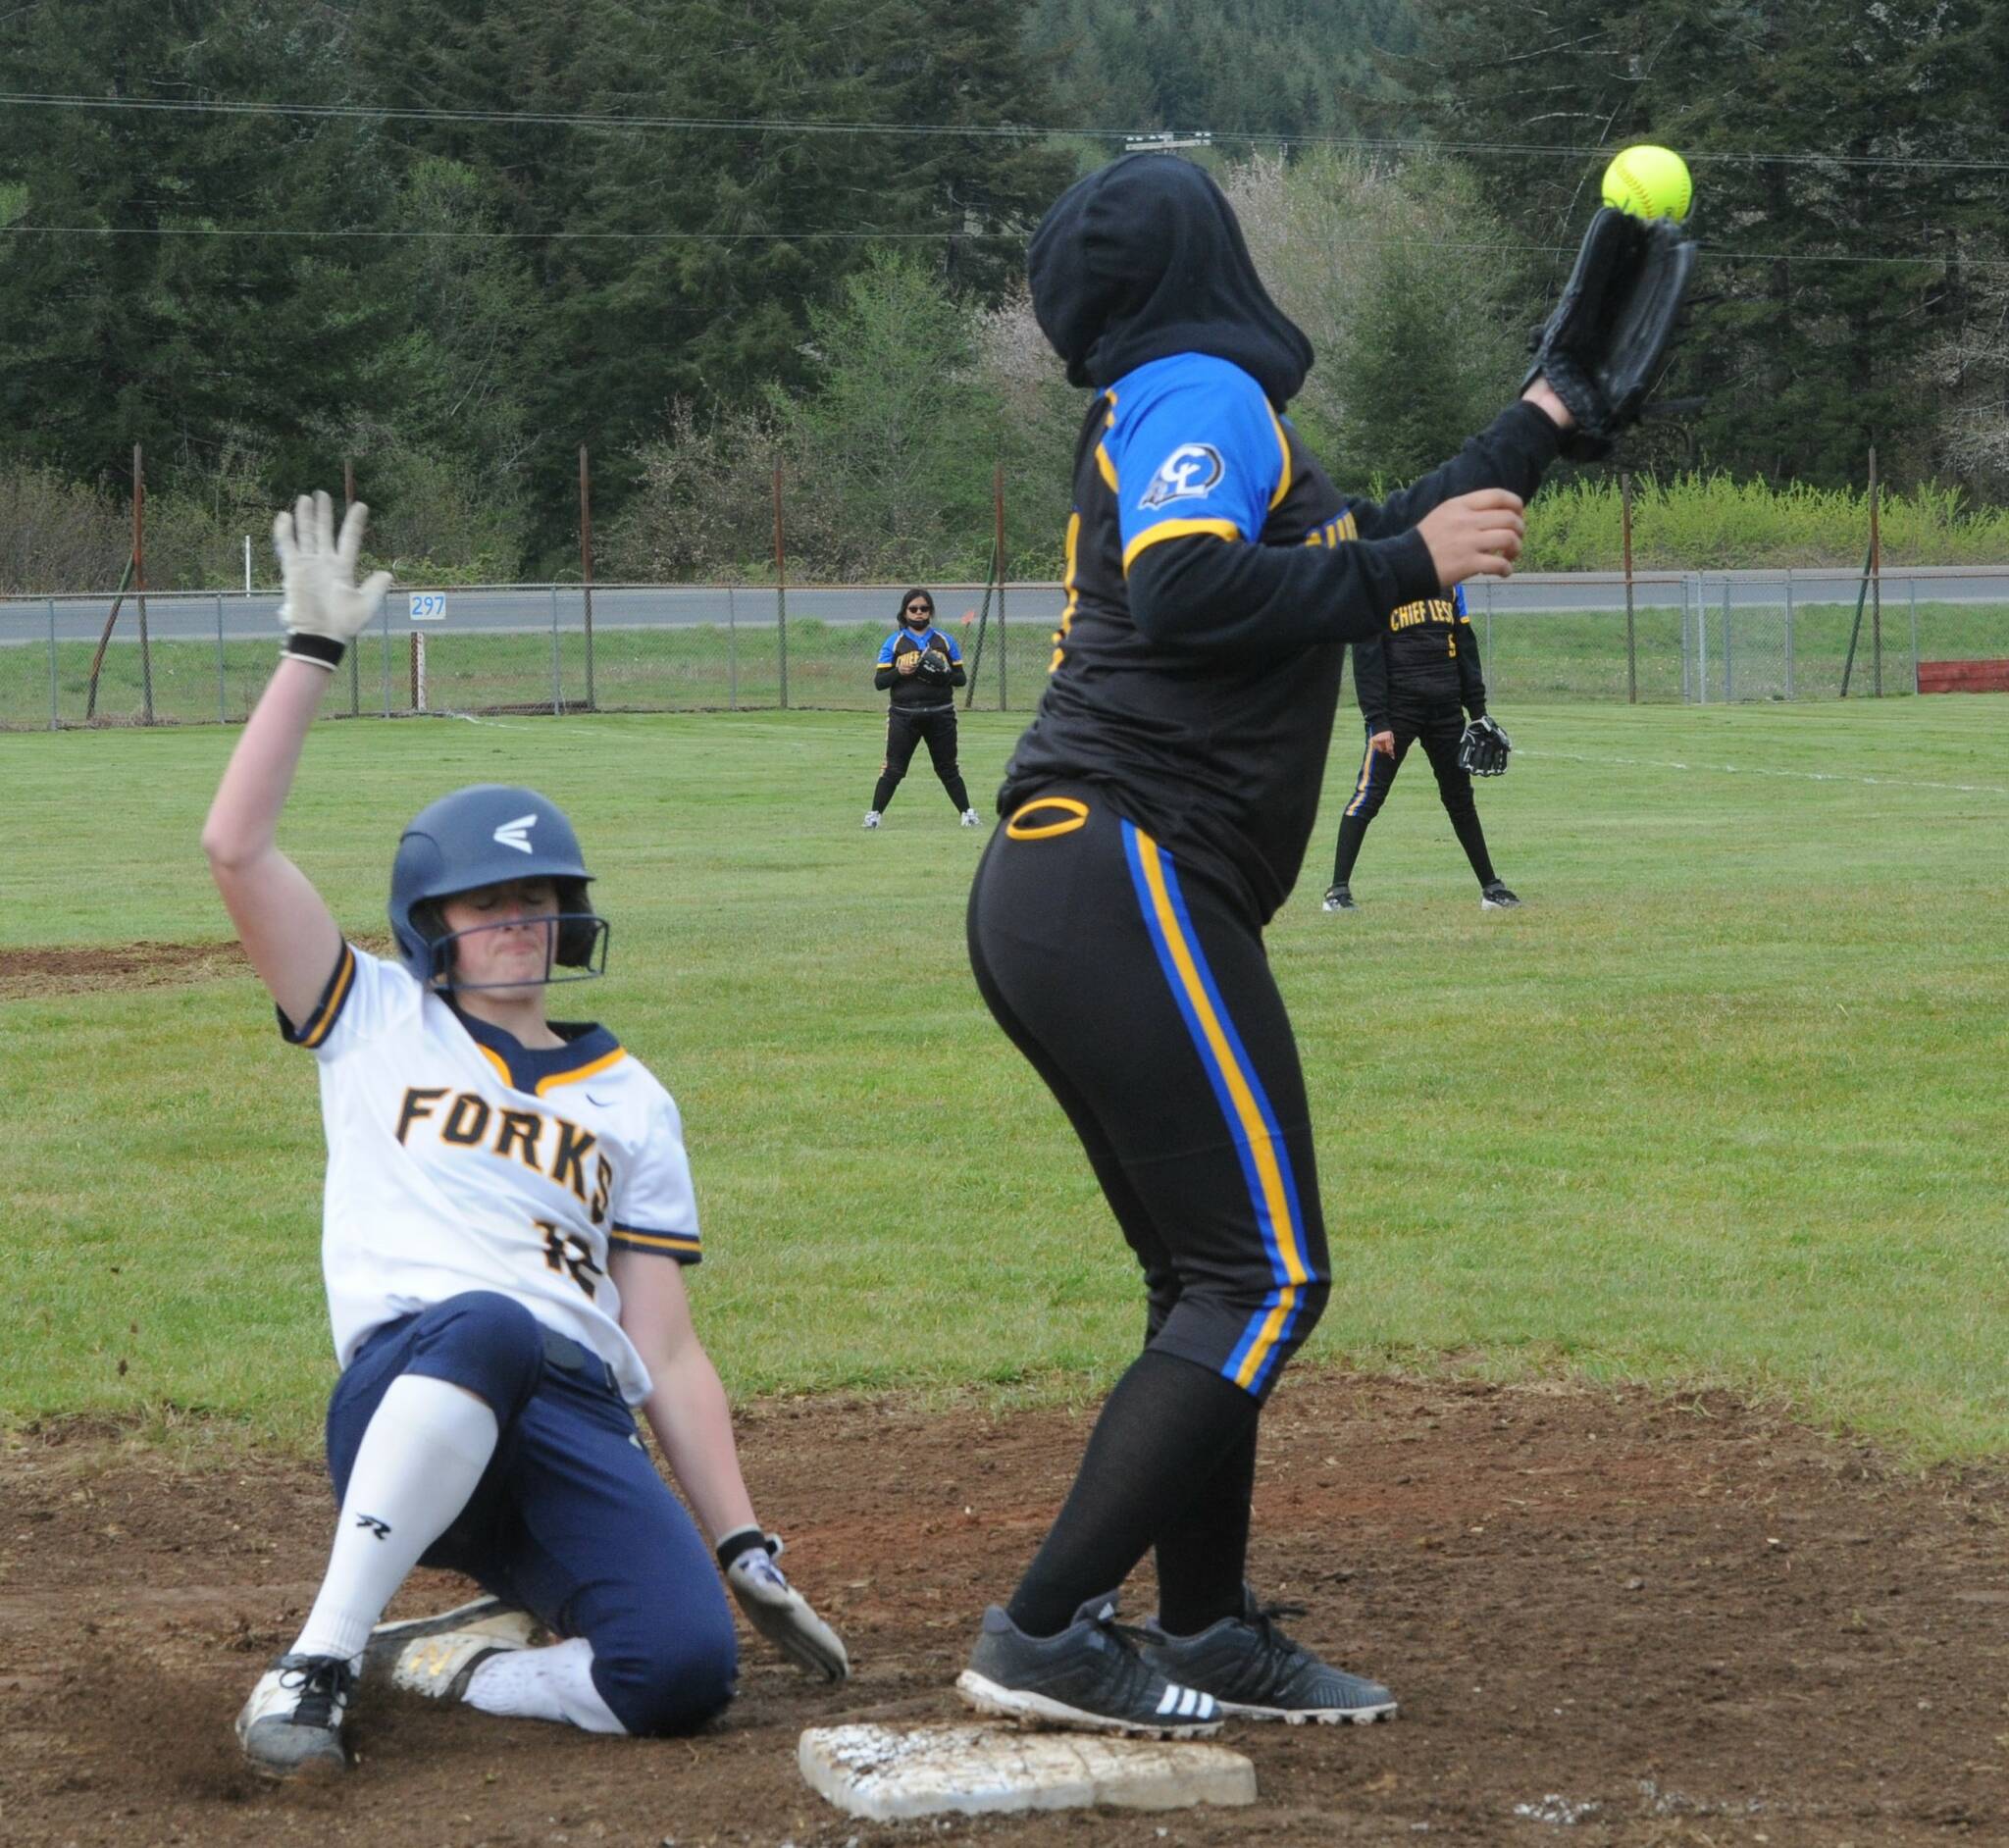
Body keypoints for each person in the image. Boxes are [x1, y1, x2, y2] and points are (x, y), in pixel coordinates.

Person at [956, 153, 1580, 1737]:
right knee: (1263, 1269)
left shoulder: (1182, 403)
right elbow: (1188, 592)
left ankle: (1207, 1622)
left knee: (1208, 1273)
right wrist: (1400, 567)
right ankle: (1042, 1626)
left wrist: (1535, 430)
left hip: (1078, 880)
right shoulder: (1204, 382)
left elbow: (1335, 552)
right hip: (1120, 866)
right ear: (1203, 260)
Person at [206, 493, 848, 1779]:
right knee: (491, 1317)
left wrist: (742, 1544)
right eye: (486, 904)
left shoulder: (632, 1097)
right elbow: (235, 846)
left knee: (679, 1673)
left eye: (541, 903)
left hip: (570, 1423)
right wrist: (310, 655)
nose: (518, 924)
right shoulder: (373, 1018)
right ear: (427, 921)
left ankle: (456, 1660)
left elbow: (660, 1341)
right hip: (414, 1378)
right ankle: (318, 1660)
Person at [1321, 584, 1520, 913]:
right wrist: (1377, 721)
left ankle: (1491, 888)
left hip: (1446, 709)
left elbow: (1465, 646)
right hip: (1398, 711)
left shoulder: (1451, 584)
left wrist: (1478, 711)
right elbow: (1367, 653)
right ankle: (1337, 891)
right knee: (1369, 795)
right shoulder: (1378, 582)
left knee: (1460, 799)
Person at [863, 588, 982, 829]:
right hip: (904, 715)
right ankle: (874, 815)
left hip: (940, 713)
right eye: (913, 609)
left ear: (930, 612)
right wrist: (900, 671)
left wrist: (943, 673)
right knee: (894, 768)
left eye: (924, 609)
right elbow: (879, 683)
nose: (919, 613)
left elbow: (961, 679)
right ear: (905, 612)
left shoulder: (945, 641)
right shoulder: (894, 642)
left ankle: (967, 813)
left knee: (947, 767)